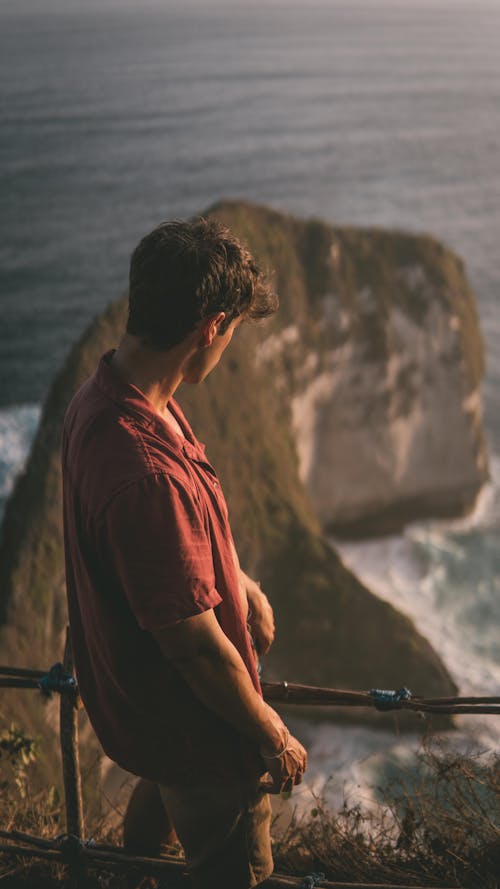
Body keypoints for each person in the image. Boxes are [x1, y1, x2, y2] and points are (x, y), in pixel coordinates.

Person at [61, 218, 307, 889]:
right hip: (200, 733)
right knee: (237, 873)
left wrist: (240, 582)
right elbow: (196, 650)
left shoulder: (108, 397)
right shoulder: (145, 473)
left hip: (150, 715)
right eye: (231, 333)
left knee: (151, 831)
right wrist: (272, 733)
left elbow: (168, 548)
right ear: (211, 325)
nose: (228, 347)